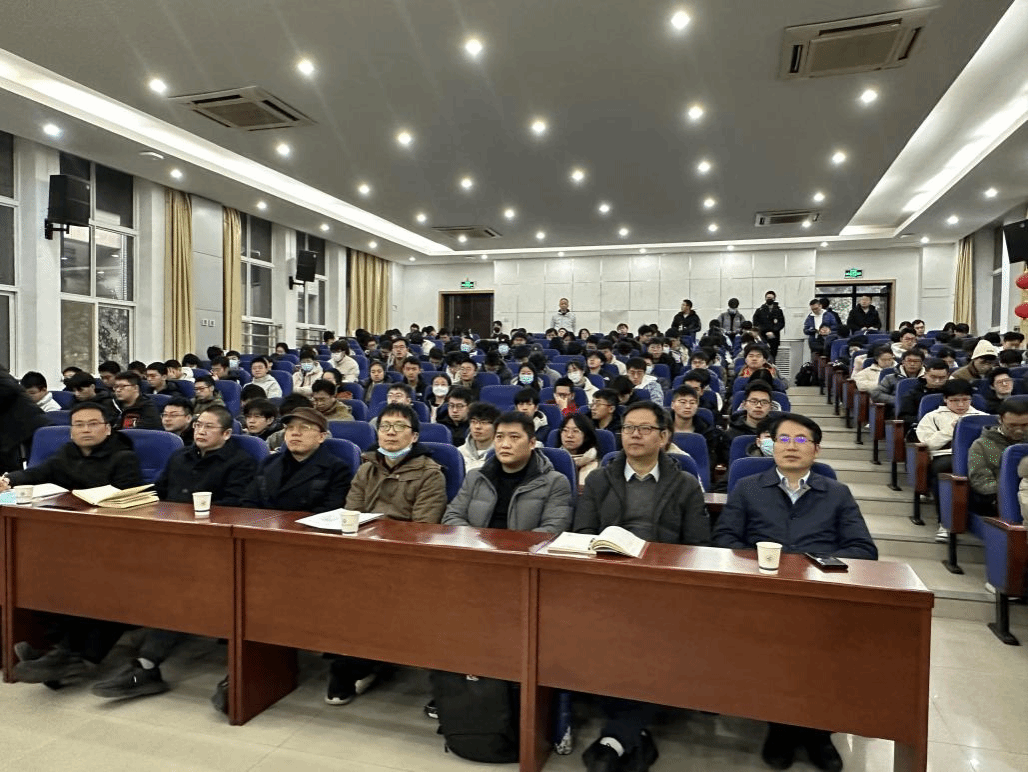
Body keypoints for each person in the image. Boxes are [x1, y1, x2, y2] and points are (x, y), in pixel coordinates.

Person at [713, 412, 876, 772]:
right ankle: (781, 727)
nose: (791, 446)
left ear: (816, 449)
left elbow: (864, 549)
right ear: (770, 446)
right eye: (783, 438)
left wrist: (813, 567)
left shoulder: (836, 492)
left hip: (820, 592)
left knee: (828, 644)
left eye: (801, 439)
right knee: (775, 642)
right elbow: (724, 539)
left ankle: (818, 732)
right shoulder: (748, 488)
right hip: (761, 590)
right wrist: (760, 564)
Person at [575, 402, 709, 772]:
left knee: (654, 642)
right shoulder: (599, 480)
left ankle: (616, 737)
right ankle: (631, 734)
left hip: (664, 588)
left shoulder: (684, 484)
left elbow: (699, 546)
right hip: (608, 582)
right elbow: (583, 532)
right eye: (628, 428)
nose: (634, 435)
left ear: (664, 437)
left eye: (645, 428)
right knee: (599, 637)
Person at [325, 402, 448, 706]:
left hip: (405, 556)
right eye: (385, 426)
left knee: (369, 590)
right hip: (364, 550)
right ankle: (355, 658)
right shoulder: (366, 467)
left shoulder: (431, 474)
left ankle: (360, 663)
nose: (391, 433)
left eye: (399, 427)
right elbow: (351, 513)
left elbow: (422, 529)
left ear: (414, 436)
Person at [443, 411, 572, 532]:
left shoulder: (555, 482)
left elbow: (553, 528)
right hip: (476, 546)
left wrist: (513, 546)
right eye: (499, 437)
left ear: (532, 443)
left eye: (514, 437)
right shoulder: (475, 477)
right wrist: (477, 541)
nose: (505, 445)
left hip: (526, 548)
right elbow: (452, 516)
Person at [916, 379, 988, 540]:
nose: (961, 404)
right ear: (945, 399)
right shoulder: (932, 417)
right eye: (955, 400)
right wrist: (952, 430)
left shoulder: (982, 417)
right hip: (945, 455)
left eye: (965, 400)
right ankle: (945, 522)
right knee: (944, 469)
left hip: (976, 457)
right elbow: (928, 444)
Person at [242, 406, 352, 511]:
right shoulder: (268, 462)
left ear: (321, 436)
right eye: (290, 428)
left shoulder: (337, 469)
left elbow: (330, 511)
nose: (295, 433)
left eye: (304, 427)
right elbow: (249, 502)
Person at [967, 399, 1028, 516]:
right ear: (1000, 420)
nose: (1019, 430)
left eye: (1025, 425)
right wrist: (1011, 487)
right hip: (1001, 498)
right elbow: (980, 482)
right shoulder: (982, 445)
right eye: (1012, 425)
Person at [871, 348, 925, 413]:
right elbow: (877, 394)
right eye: (909, 361)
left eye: (916, 361)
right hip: (896, 412)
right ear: (903, 362)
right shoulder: (890, 378)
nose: (912, 364)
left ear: (922, 363)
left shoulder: (927, 378)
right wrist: (897, 400)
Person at [556, 412, 600, 487]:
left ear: (586, 436)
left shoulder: (598, 466)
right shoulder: (553, 460)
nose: (569, 435)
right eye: (565, 430)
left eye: (575, 431)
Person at [459, 401, 501, 471]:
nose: (477, 427)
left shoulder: (501, 455)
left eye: (484, 422)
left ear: (496, 427)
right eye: (474, 422)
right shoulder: (458, 453)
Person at [752, 290, 786, 361]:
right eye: (768, 298)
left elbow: (781, 323)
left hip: (774, 337)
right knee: (762, 356)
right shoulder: (759, 310)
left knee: (773, 357)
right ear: (765, 298)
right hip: (762, 337)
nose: (769, 299)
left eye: (771, 298)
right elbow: (755, 323)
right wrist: (765, 331)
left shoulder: (778, 311)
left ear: (774, 299)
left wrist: (773, 331)